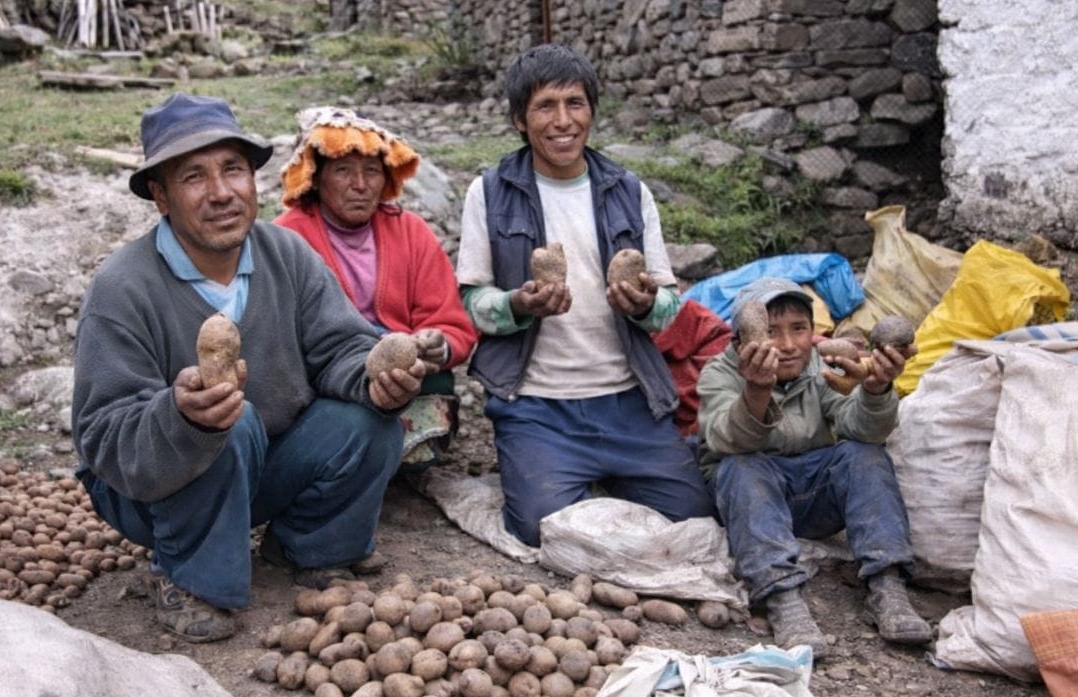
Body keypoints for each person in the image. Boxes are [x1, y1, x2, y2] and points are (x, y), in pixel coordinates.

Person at [71, 93, 425, 643]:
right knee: (229, 421)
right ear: (160, 196)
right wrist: (179, 417)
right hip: (152, 489)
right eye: (194, 177)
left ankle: (308, 545)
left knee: (369, 421)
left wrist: (374, 380)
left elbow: (341, 347)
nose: (221, 192)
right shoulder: (122, 287)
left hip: (262, 469)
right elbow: (102, 434)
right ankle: (187, 575)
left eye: (233, 169)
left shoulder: (288, 255)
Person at [455, 43, 713, 546]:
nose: (563, 121)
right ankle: (563, 471)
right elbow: (472, 302)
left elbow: (668, 306)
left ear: (592, 110)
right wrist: (517, 305)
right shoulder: (489, 192)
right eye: (545, 106)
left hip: (627, 399)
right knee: (538, 526)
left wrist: (645, 306)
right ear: (519, 119)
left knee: (694, 514)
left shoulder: (629, 191)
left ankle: (607, 473)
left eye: (575, 103)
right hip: (537, 404)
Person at [696, 277, 933, 659]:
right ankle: (782, 599)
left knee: (865, 454)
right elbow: (728, 440)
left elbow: (860, 428)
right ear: (741, 341)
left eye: (799, 329)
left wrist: (875, 390)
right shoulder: (720, 373)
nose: (788, 345)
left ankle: (888, 586)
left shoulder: (819, 368)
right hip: (753, 499)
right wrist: (756, 391)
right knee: (741, 467)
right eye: (771, 332)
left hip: (812, 493)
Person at [275, 106, 477, 471]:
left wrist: (437, 343)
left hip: (402, 376)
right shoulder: (287, 238)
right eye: (343, 171)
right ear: (315, 179)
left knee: (436, 381)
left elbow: (451, 323)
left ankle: (383, 459)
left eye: (371, 171)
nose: (361, 184)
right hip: (327, 380)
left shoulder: (411, 232)